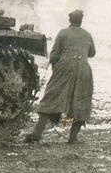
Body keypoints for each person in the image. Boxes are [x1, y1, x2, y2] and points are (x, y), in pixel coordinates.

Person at [23, 10, 95, 145]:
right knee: (80, 101)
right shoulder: (87, 35)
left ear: (70, 20)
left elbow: (54, 54)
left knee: (52, 97)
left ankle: (37, 133)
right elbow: (92, 53)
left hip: (65, 66)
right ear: (81, 21)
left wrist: (56, 67)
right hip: (84, 69)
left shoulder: (63, 33)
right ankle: (72, 138)